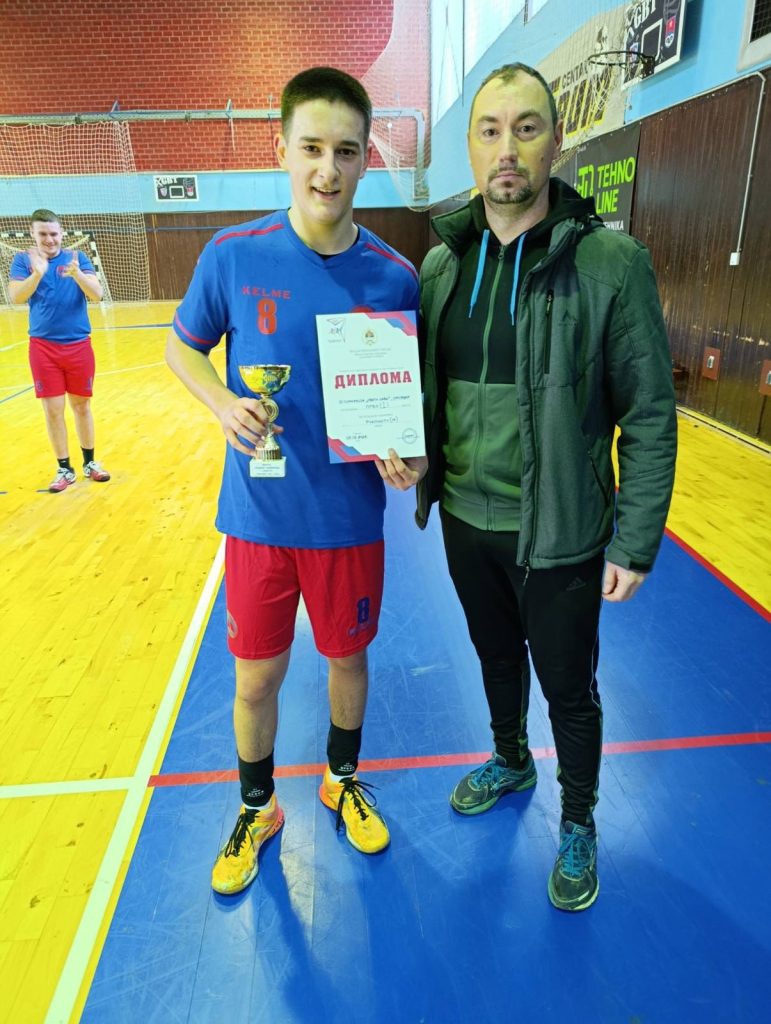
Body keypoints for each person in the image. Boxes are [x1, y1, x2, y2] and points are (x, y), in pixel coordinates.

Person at [416, 63, 677, 912]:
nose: (507, 148)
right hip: (465, 519)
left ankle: (578, 819)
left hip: (560, 528)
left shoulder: (610, 264)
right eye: (489, 130)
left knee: (568, 686)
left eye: (526, 128)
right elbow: (427, 395)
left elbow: (648, 411)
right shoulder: (441, 267)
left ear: (555, 142)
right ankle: (509, 757)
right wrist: (407, 456)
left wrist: (635, 540)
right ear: (468, 146)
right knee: (496, 658)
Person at [166, 66, 426, 896]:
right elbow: (181, 347)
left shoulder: (395, 276)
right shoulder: (232, 255)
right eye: (311, 147)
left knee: (347, 661)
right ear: (280, 149)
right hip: (259, 516)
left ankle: (340, 779)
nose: (327, 168)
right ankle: (257, 806)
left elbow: (407, 406)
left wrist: (409, 456)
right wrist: (221, 403)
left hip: (347, 520)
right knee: (256, 677)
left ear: (365, 159)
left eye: (345, 151)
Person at [8, 209, 111, 492]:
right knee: (53, 410)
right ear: (33, 234)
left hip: (78, 345)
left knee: (82, 406)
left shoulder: (77, 258)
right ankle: (65, 468)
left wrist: (78, 275)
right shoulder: (23, 261)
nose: (49, 239)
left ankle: (90, 462)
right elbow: (16, 297)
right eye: (42, 234)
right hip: (43, 348)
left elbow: (97, 294)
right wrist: (37, 274)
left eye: (53, 234)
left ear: (61, 233)